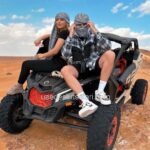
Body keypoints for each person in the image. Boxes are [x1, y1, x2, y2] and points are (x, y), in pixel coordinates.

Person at [61, 13, 115, 118]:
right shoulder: (71, 36)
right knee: (64, 70)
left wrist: (95, 30)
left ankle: (100, 92)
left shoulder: (93, 34)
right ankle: (86, 102)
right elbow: (65, 55)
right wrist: (70, 34)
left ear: (88, 24)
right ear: (74, 25)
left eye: (84, 24)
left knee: (110, 54)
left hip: (93, 64)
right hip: (78, 67)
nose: (81, 27)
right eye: (79, 25)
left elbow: (107, 47)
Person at [7, 12, 70, 95]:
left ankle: (19, 86)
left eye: (62, 20)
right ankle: (35, 63)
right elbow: (49, 35)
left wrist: (42, 55)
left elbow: (55, 51)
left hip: (58, 63)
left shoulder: (64, 32)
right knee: (47, 40)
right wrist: (39, 38)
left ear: (66, 22)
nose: (58, 22)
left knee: (26, 64)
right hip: (55, 61)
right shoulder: (59, 33)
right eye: (57, 20)